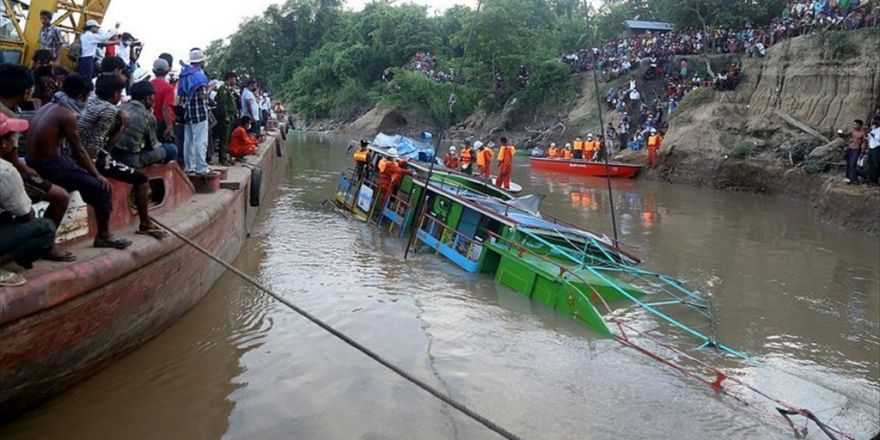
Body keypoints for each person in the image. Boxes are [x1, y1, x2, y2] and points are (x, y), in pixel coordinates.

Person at [27, 74, 132, 249]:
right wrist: (97, 175)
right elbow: (80, 150)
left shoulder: (49, 106)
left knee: (85, 179)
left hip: (36, 160)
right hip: (50, 164)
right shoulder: (67, 114)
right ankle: (103, 235)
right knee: (102, 188)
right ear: (82, 97)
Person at [0, 63, 75, 261]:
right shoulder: (9, 118)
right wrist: (30, 171)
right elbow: (12, 160)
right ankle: (45, 244)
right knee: (60, 196)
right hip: (5, 170)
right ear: (26, 92)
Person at [79, 74, 166, 240]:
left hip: (87, 154)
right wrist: (95, 174)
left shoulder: (91, 103)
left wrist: (121, 128)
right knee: (140, 180)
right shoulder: (110, 111)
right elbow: (97, 148)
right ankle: (144, 223)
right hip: (92, 158)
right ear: (116, 94)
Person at [0, 114, 58, 287]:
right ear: (3, 144)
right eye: (12, 138)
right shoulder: (5, 171)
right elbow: (26, 215)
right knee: (45, 228)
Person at [113, 81, 178, 168]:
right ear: (148, 98)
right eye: (153, 97)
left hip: (112, 154)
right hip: (131, 159)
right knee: (171, 149)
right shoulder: (148, 116)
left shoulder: (119, 108)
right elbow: (152, 146)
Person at [178, 49, 212, 175]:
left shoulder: (184, 74)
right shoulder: (199, 75)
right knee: (200, 140)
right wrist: (211, 88)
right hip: (199, 111)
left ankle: (189, 166)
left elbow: (180, 95)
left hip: (187, 111)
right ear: (201, 61)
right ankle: (202, 168)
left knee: (189, 141)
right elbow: (202, 96)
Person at [214, 72, 238, 166]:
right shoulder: (223, 89)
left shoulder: (229, 90)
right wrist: (225, 116)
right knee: (224, 138)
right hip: (226, 117)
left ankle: (226, 157)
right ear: (229, 79)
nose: (235, 81)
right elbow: (222, 104)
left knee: (228, 138)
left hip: (231, 116)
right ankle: (222, 159)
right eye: (234, 79)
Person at [150, 58, 175, 145]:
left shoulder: (148, 85)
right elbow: (166, 107)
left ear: (153, 70)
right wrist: (169, 126)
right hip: (162, 123)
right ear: (167, 70)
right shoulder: (168, 88)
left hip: (149, 121)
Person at [845, 119, 866, 184]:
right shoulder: (853, 131)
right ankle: (848, 178)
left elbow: (864, 142)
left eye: (856, 124)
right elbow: (846, 135)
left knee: (853, 164)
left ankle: (854, 179)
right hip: (850, 148)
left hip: (856, 149)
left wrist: (863, 151)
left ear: (860, 125)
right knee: (848, 163)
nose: (854, 126)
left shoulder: (862, 133)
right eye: (854, 124)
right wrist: (841, 134)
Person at [867, 118, 880, 185]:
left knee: (876, 164)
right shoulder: (872, 130)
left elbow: (878, 138)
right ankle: (871, 179)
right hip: (871, 148)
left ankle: (875, 180)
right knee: (871, 164)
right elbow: (869, 140)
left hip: (877, 148)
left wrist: (872, 134)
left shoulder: (879, 130)